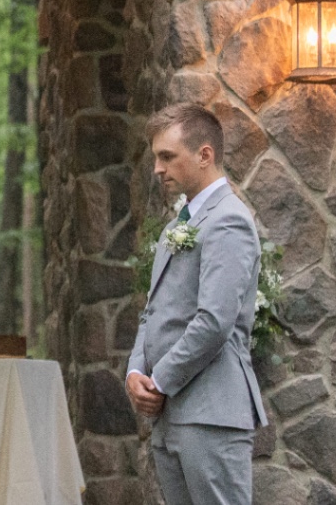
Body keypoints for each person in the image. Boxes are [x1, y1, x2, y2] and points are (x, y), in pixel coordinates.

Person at [126, 103, 267, 505]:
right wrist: (136, 370)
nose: (157, 168)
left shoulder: (229, 221)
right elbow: (152, 312)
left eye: (166, 156)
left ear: (204, 155)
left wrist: (160, 381)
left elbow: (214, 322)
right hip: (171, 416)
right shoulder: (177, 227)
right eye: (156, 157)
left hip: (210, 413)